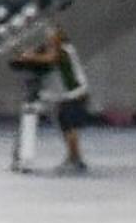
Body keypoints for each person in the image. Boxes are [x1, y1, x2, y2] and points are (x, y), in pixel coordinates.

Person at [9, 19, 90, 174]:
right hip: (66, 95)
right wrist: (27, 55)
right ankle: (73, 157)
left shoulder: (63, 49)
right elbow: (43, 55)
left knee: (70, 127)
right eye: (49, 35)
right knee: (65, 126)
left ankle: (76, 159)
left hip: (75, 94)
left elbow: (51, 58)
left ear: (60, 36)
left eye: (52, 35)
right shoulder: (57, 48)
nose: (49, 38)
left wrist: (29, 57)